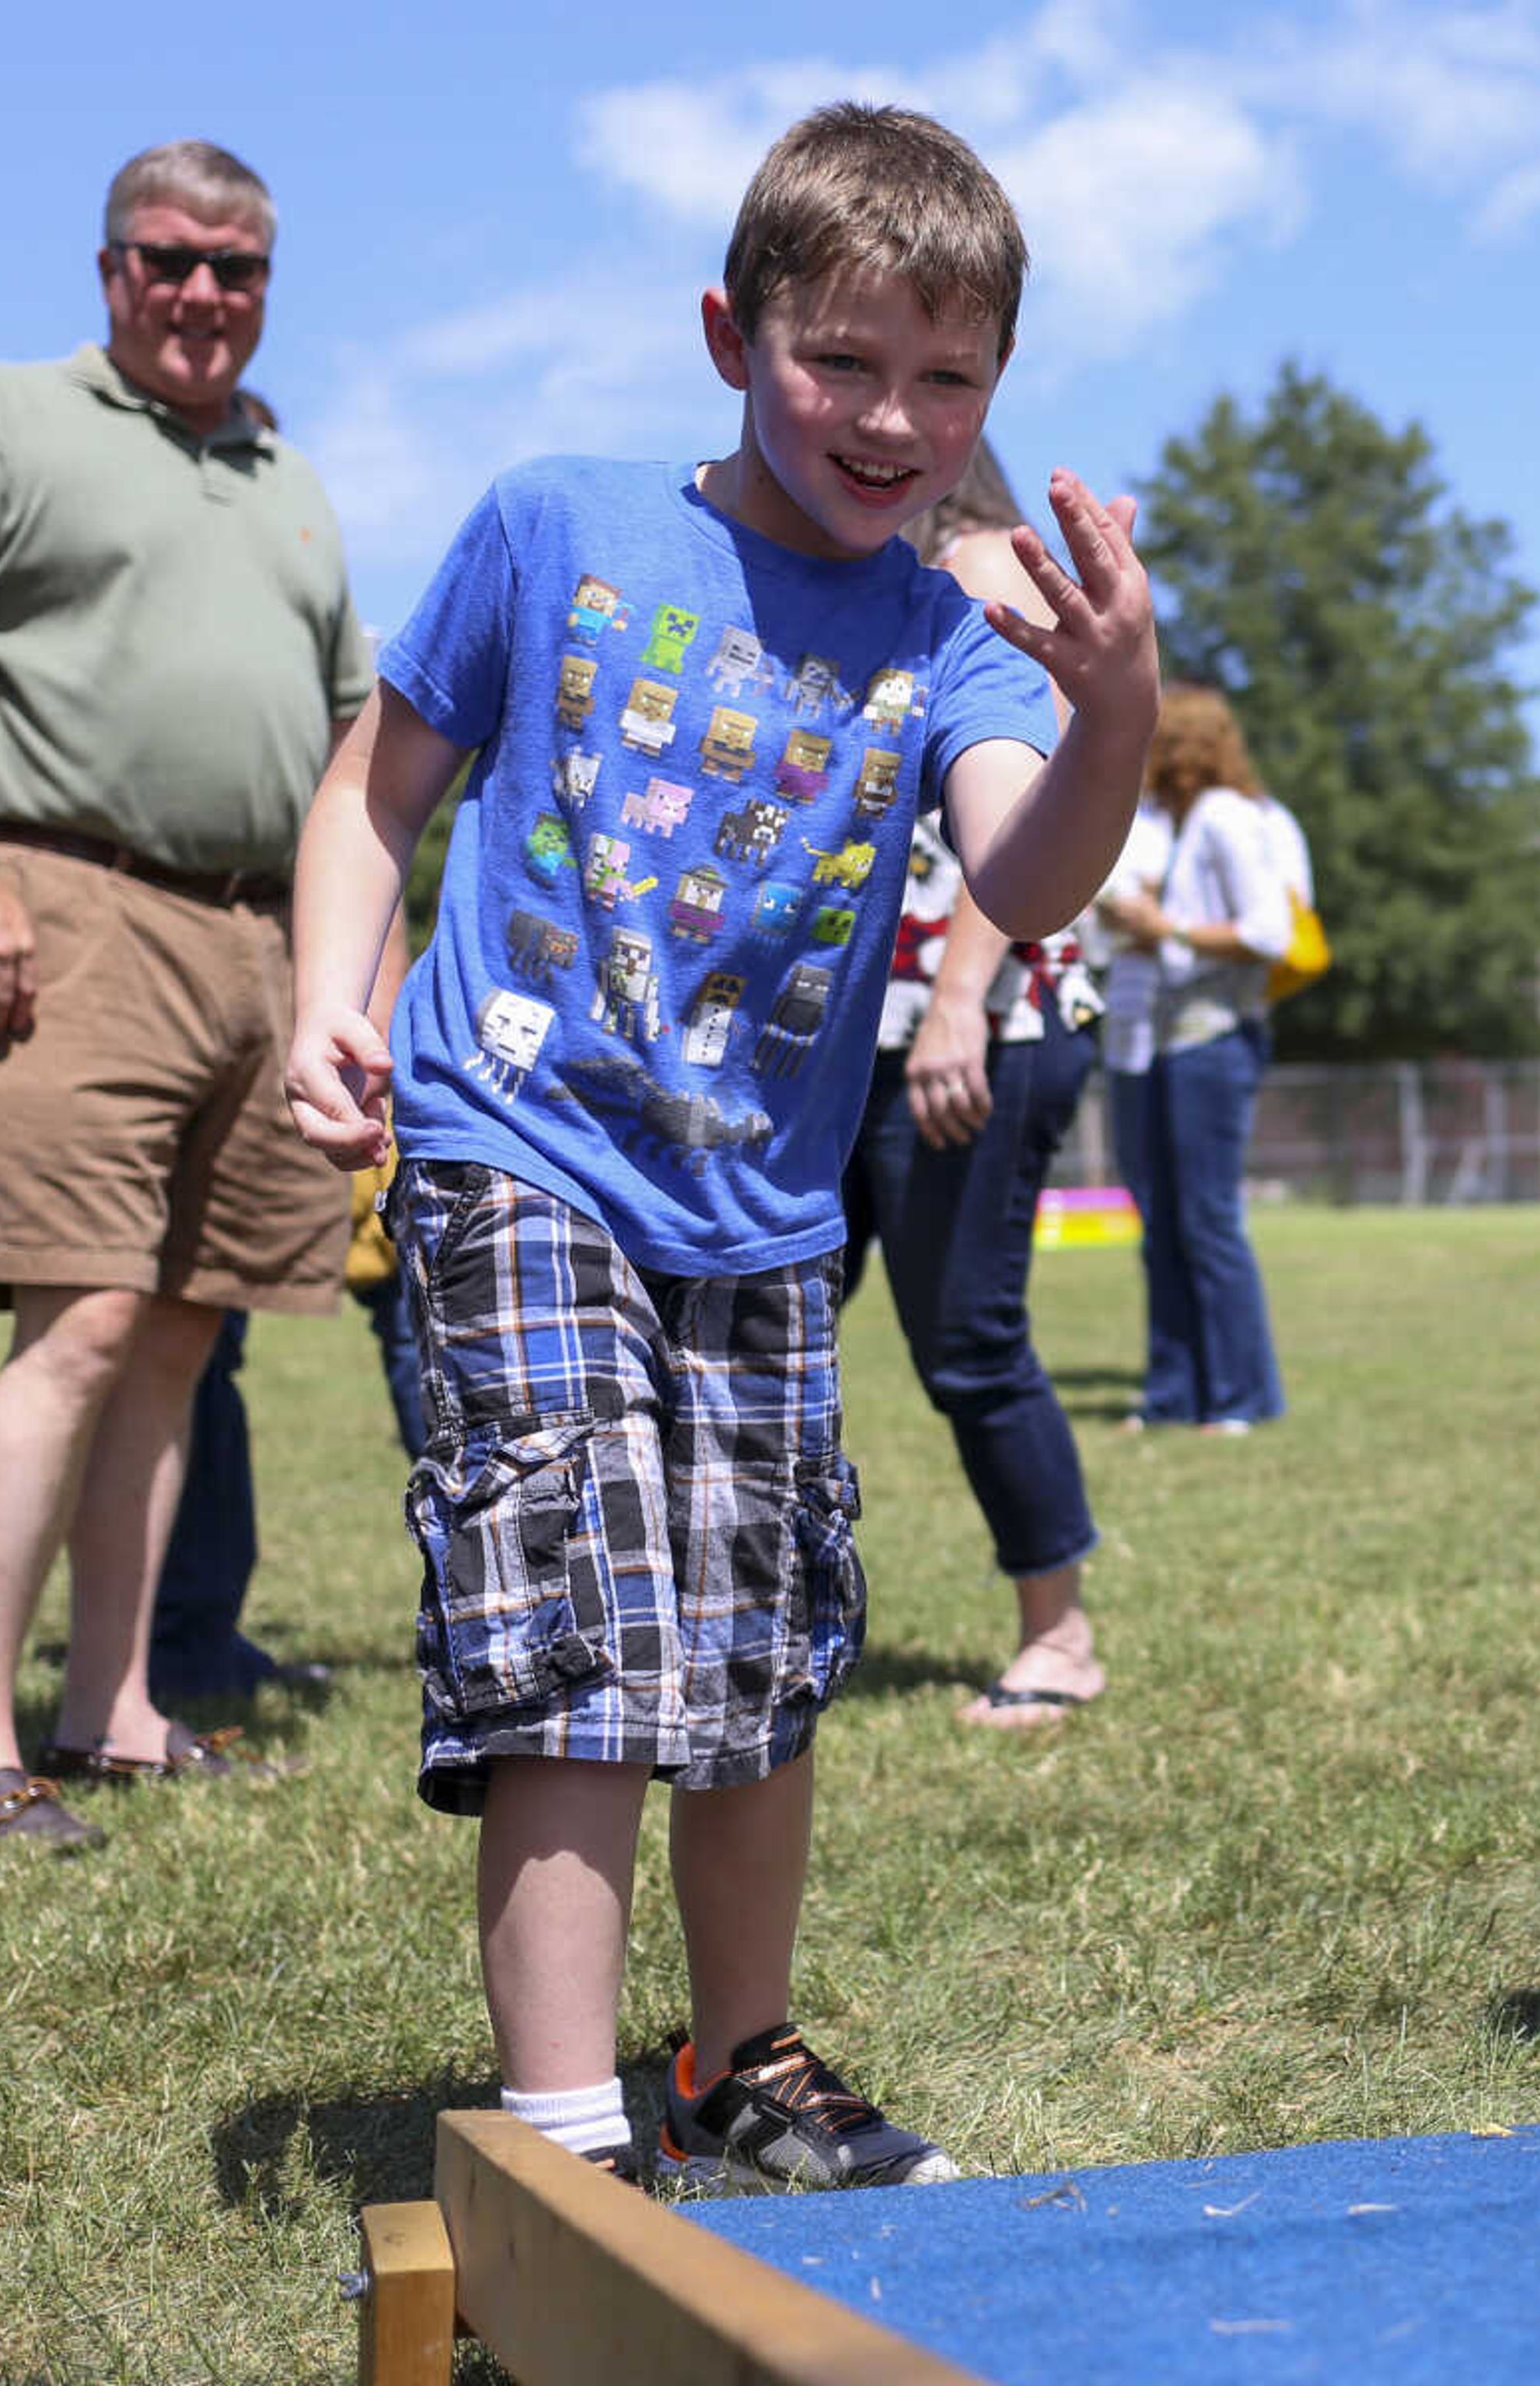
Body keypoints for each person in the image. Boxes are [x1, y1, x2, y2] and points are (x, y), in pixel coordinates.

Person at [280, 103, 1159, 2190]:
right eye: (840, 360)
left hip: (761, 1204)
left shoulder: (951, 629)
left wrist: (1115, 705)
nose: (891, 419)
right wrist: (330, 985)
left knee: (764, 1638)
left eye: (949, 380)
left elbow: (1027, 877)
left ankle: (736, 2056)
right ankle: (572, 2137)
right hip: (520, 1141)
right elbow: (371, 789)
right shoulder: (553, 522)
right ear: (727, 332)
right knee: (580, 1606)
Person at [0, 139, 374, 1849]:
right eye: (169, 258)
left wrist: (354, 985)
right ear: (109, 265)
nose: (202, 292)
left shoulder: (289, 471)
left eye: (236, 267)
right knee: (71, 1322)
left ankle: (116, 1706)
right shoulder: (4, 417)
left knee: (179, 1333)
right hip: (69, 906)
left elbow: (361, 738)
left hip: (266, 945)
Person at [837, 442, 1108, 1727]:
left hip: (976, 1020)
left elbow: (1029, 804)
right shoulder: (881, 586)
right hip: (857, 1027)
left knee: (967, 1336)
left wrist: (957, 1009)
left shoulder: (989, 564)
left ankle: (1060, 1636)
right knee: (765, 1319)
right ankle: (762, 1605)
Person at [1095, 686, 1296, 1432]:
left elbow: (1269, 931)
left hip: (1211, 1040)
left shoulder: (1227, 819)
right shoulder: (1165, 826)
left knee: (1208, 1224)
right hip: (1151, 1045)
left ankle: (1242, 1398)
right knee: (1163, 1226)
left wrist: (1167, 927)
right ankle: (1172, 1396)